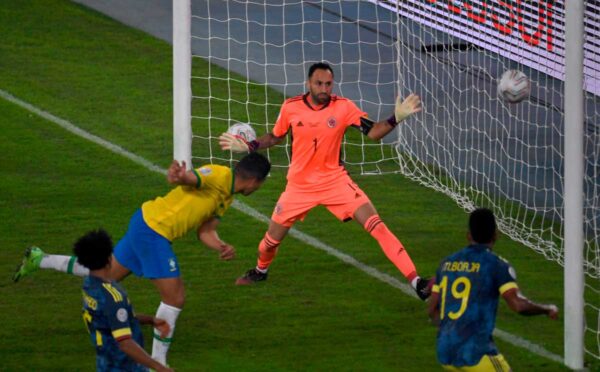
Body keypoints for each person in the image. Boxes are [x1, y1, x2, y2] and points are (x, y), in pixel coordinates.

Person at [13, 152, 271, 366]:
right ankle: (158, 362)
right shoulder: (220, 174)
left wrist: (220, 246)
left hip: (146, 224)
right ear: (255, 181)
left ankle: (40, 259)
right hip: (154, 231)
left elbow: (205, 231)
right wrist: (180, 175)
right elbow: (192, 178)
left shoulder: (226, 198)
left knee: (107, 275)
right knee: (175, 297)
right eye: (261, 185)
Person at [219, 62, 431, 299]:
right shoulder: (291, 107)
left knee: (377, 225)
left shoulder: (343, 107)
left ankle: (417, 282)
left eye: (328, 84)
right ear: (309, 83)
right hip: (299, 187)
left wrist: (396, 118)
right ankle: (260, 270)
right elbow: (275, 137)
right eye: (319, 83)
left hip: (335, 182)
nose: (324, 88)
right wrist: (250, 145)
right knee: (269, 242)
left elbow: (373, 133)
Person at [427, 208, 559, 371]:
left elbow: (432, 309)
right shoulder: (496, 265)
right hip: (476, 354)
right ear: (495, 235)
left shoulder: (446, 264)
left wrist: (451, 332)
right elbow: (518, 305)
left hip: (445, 352)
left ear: (468, 235)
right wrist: (547, 309)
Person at [74, 228, 173, 372]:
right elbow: (125, 343)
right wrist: (160, 368)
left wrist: (150, 320)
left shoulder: (89, 285)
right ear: (109, 258)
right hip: (124, 366)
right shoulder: (113, 297)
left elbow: (111, 319)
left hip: (105, 363)